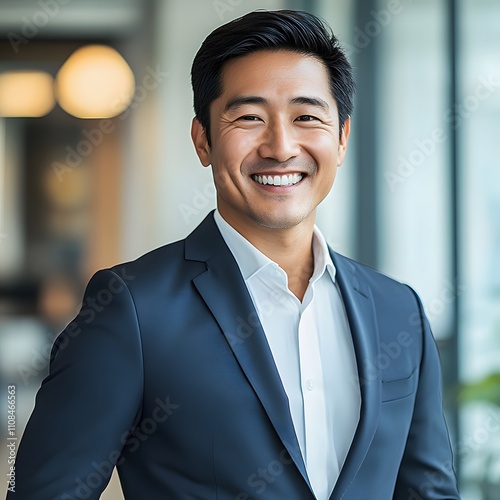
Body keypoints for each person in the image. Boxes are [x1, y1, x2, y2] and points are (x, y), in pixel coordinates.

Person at [9, 10, 460, 500]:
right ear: (203, 140)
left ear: (342, 138)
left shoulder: (399, 311)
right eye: (249, 118)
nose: (281, 147)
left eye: (306, 117)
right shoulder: (132, 309)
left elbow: (429, 492)